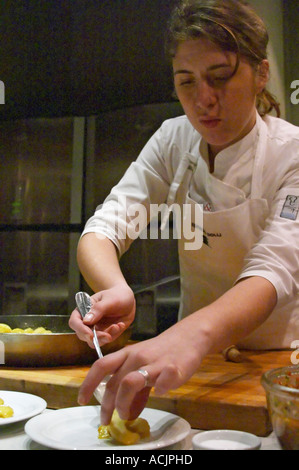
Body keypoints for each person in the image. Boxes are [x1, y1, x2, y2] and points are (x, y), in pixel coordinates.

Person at [69, 0, 299, 426]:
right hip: (189, 363)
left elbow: (274, 269)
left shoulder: (292, 153)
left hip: (277, 368)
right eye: (186, 81)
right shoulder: (173, 140)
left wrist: (187, 336)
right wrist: (115, 288)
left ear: (260, 74)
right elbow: (105, 227)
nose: (203, 99)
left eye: (220, 77)